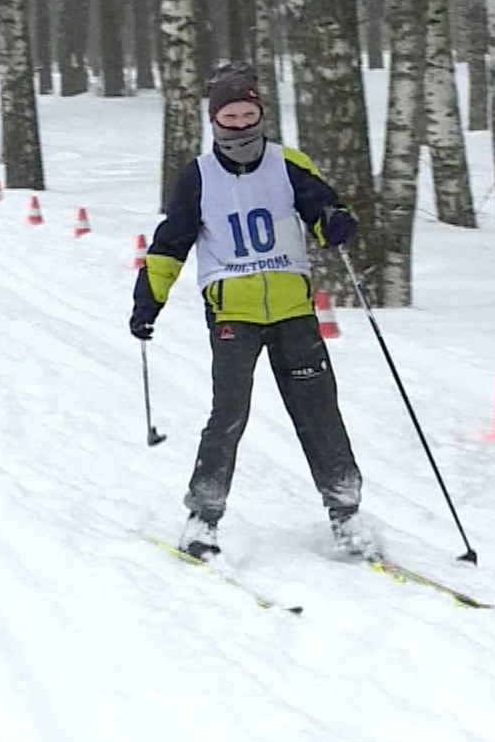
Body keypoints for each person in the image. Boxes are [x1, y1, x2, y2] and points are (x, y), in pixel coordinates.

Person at [129, 62, 369, 560]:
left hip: (293, 311)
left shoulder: (289, 163)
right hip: (233, 314)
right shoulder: (197, 177)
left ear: (260, 113)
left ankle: (346, 514)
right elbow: (170, 243)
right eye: (230, 116)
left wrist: (334, 221)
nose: (240, 125)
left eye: (248, 114)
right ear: (215, 121)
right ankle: (203, 517)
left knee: (319, 410)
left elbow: (322, 207)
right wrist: (148, 301)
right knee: (228, 414)